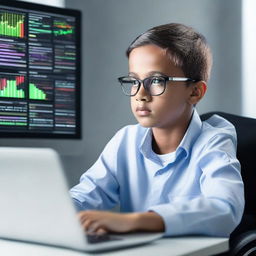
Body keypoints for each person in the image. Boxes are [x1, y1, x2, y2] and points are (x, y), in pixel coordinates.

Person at [70, 23, 244, 236]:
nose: (140, 94)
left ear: (195, 92)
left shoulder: (214, 141)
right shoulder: (125, 140)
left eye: (156, 80)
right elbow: (85, 196)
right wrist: (63, 213)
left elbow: (225, 209)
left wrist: (138, 221)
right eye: (134, 81)